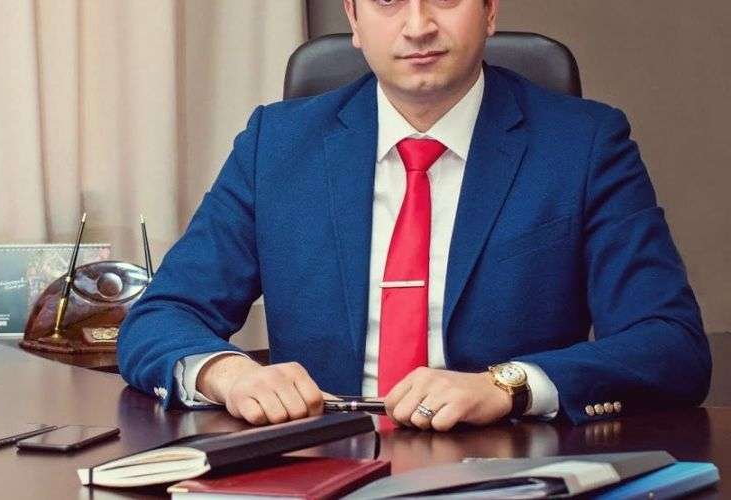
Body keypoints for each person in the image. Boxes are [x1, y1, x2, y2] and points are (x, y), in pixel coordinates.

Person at [117, 0, 711, 432]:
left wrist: (507, 385)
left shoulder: (584, 145)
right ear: (353, 19)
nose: (418, 25)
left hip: (506, 465)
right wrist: (230, 373)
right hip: (321, 463)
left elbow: (671, 344)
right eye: (387, 1)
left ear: (490, 10)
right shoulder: (276, 146)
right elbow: (162, 316)